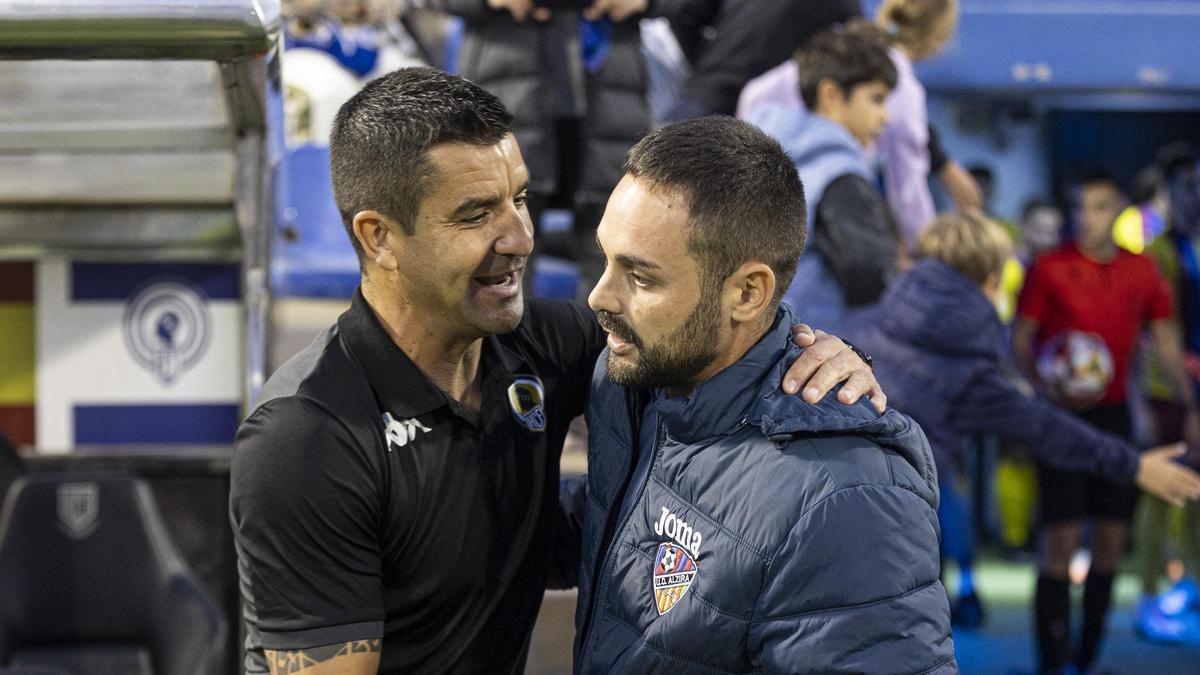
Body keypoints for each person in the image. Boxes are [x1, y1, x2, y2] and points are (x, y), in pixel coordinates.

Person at [230, 67, 884, 675]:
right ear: (378, 237)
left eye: (519, 198)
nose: (519, 236)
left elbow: (708, 341)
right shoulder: (306, 440)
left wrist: (816, 357)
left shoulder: (543, 342)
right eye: (476, 214)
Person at [573, 115, 956, 674]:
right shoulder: (632, 384)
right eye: (606, 259)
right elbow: (611, 529)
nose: (598, 297)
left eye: (641, 277)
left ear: (749, 293)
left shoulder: (846, 498)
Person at [843, 211, 1200, 635]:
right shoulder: (970, 366)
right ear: (992, 282)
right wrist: (1136, 466)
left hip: (818, 503)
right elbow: (1046, 428)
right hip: (894, 530)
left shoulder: (867, 318)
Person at [1013, 169, 1200, 674]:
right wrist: (1043, 385)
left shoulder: (1142, 271)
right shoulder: (1049, 267)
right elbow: (1022, 340)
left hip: (1115, 417)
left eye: (1096, 207)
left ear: (1117, 209)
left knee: (1111, 547)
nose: (1085, 218)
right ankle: (1051, 665)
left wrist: (1192, 408)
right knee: (1059, 545)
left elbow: (1165, 343)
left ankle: (1086, 661)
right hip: (1060, 419)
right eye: (1078, 207)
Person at [425, 0, 655, 296]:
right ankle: (504, 344)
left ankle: (602, 344)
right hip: (508, 100)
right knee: (498, 265)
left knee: (614, 269)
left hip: (611, 106)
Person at [740, 0, 965, 250]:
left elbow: (754, 94)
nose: (884, 116)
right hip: (820, 212)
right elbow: (907, 192)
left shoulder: (837, 48)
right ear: (936, 42)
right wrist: (930, 252)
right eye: (877, 100)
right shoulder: (904, 91)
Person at [750, 24, 898, 332]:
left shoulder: (756, 161)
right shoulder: (840, 175)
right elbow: (869, 273)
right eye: (876, 99)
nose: (885, 117)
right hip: (811, 346)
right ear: (830, 94)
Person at [1133, 143, 1200, 643]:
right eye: (1190, 187)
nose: (1198, 197)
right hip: (1167, 392)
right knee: (1159, 492)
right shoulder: (1156, 255)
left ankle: (1192, 589)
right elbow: (1156, 337)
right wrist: (1185, 401)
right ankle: (1149, 598)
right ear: (1170, 193)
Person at [659, 0, 861, 120]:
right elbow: (859, 55)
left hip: (705, 96)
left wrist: (708, 64)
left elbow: (683, 14)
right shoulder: (844, 6)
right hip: (753, 116)